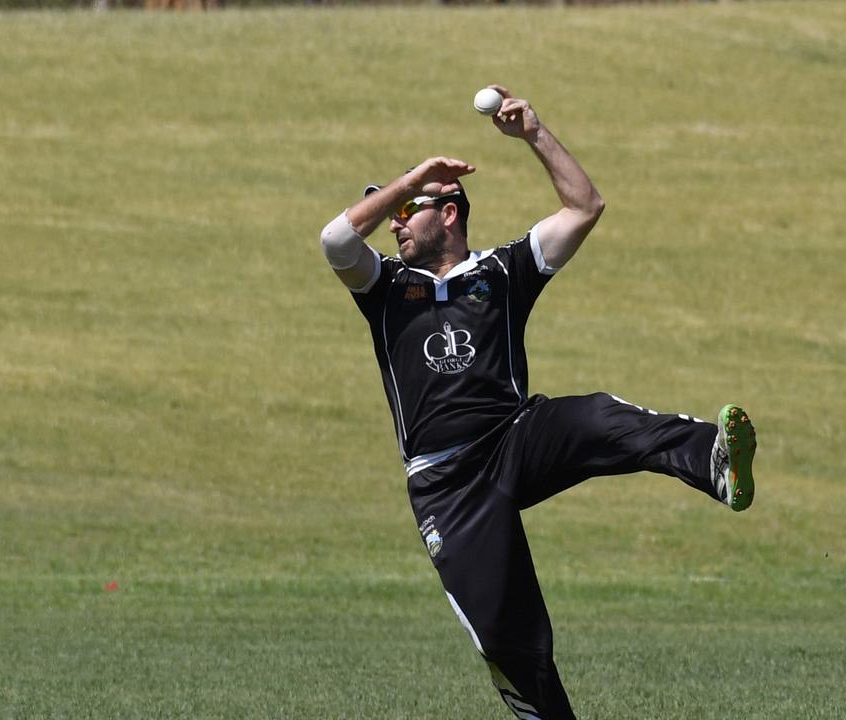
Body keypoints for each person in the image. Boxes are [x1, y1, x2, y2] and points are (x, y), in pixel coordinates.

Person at [317, 85, 757, 720]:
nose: (394, 221)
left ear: (449, 214)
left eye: (409, 209)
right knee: (512, 644)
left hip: (514, 437)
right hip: (446, 483)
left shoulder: (500, 273)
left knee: (600, 417)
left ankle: (711, 461)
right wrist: (412, 178)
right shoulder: (387, 288)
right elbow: (335, 240)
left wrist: (534, 134)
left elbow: (585, 207)